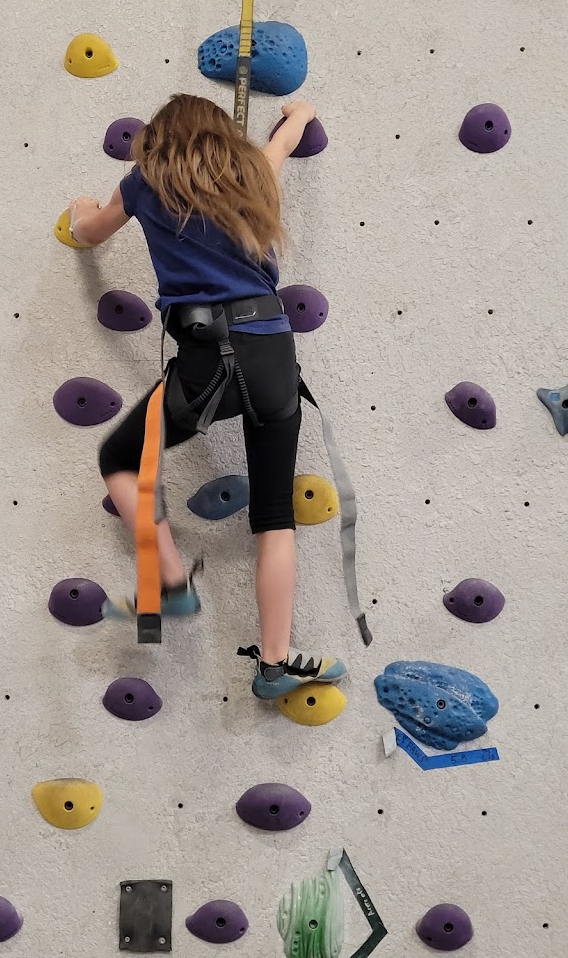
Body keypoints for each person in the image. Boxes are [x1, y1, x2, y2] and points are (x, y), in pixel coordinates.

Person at [68, 93, 346, 699]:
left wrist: (79, 210)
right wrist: (299, 115)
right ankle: (274, 664)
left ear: (159, 139)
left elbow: (88, 232)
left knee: (119, 456)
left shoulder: (146, 182)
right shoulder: (253, 172)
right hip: (273, 353)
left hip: (210, 354)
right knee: (274, 517)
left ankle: (171, 582)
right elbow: (280, 146)